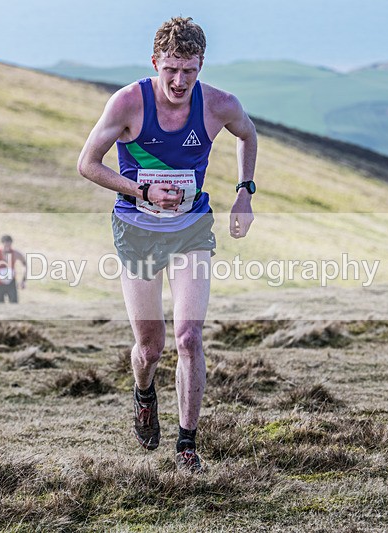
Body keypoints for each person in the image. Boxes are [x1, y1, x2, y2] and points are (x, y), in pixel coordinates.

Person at [77, 17, 257, 471]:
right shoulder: (127, 103)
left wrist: (244, 193)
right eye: (171, 69)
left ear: (201, 66)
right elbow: (87, 163)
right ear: (155, 62)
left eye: (189, 70)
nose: (179, 81)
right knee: (150, 347)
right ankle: (143, 393)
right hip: (136, 229)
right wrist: (142, 191)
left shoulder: (219, 104)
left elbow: (247, 134)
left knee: (189, 337)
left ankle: (187, 444)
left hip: (191, 229)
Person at [0, 235, 27, 303]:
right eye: (6, 246)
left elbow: (25, 264)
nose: (7, 248)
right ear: (2, 244)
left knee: (14, 302)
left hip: (10, 281)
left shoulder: (15, 253)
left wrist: (23, 280)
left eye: (9, 246)